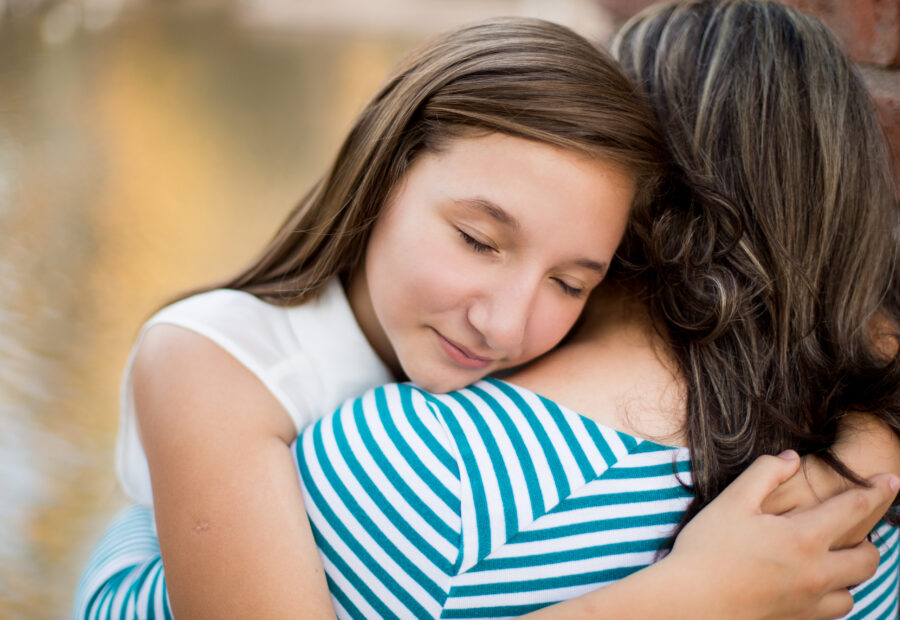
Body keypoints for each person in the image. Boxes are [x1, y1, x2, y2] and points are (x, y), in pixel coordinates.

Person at [75, 8, 900, 620]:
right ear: (385, 166)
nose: (504, 327)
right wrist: (686, 596)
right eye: (477, 240)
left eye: (577, 281)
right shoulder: (210, 360)